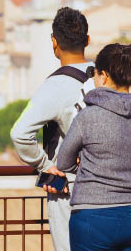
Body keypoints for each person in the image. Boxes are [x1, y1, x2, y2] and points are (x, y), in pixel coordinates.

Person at [10, 7, 94, 251]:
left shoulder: (55, 85)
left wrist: (45, 166)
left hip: (70, 187)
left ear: (54, 42)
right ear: (87, 40)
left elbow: (20, 134)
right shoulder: (106, 75)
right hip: (114, 189)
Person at [54, 43, 131, 251]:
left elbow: (63, 161)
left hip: (92, 216)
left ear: (103, 76)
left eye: (94, 74)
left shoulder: (88, 115)